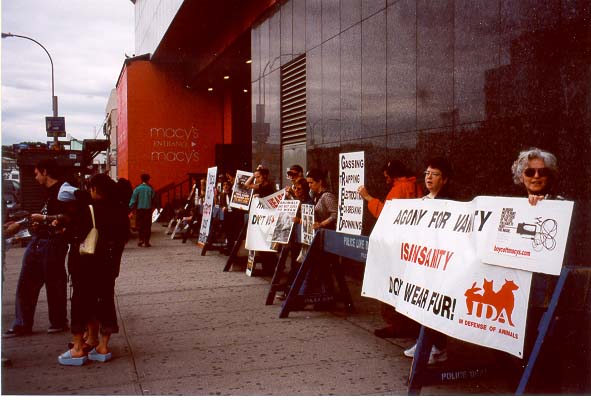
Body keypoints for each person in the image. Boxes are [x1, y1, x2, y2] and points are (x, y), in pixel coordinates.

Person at [58, 174, 129, 366]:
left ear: (96, 189)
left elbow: (77, 234)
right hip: (109, 266)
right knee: (105, 301)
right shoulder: (120, 211)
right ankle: (102, 347)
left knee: (81, 302)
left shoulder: (89, 210)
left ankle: (78, 348)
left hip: (86, 266)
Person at [3, 159, 74, 337]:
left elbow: (68, 217)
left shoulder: (64, 191)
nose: (35, 178)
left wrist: (44, 220)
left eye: (36, 174)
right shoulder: (50, 192)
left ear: (44, 171)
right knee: (28, 284)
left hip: (52, 243)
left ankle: (55, 321)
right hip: (40, 241)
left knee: (53, 283)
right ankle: (24, 323)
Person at [357, 160, 423, 339]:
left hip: (396, 244)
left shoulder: (399, 189)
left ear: (393, 174)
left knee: (390, 286)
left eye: (386, 176)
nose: (385, 180)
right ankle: (408, 325)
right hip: (411, 244)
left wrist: (367, 197)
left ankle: (396, 325)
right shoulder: (416, 186)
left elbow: (384, 214)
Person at [403, 157, 453, 365]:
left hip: (440, 263)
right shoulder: (423, 200)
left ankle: (439, 348)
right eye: (426, 173)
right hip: (422, 261)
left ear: (445, 179)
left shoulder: (451, 202)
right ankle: (423, 342)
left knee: (436, 306)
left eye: (434, 174)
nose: (429, 177)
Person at [276, 177, 313, 301]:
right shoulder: (297, 200)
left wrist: (300, 220)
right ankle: (290, 292)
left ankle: (293, 294)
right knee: (293, 266)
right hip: (293, 238)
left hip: (303, 240)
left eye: (299, 189)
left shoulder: (308, 202)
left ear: (305, 190)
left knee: (297, 267)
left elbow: (310, 221)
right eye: (295, 188)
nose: (296, 190)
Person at [129, 173, 156, 247]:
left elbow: (133, 200)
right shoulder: (150, 189)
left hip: (139, 209)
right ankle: (147, 241)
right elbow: (153, 198)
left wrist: (130, 208)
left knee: (140, 225)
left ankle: (141, 239)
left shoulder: (137, 189)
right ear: (148, 179)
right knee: (147, 225)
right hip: (148, 210)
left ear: (141, 179)